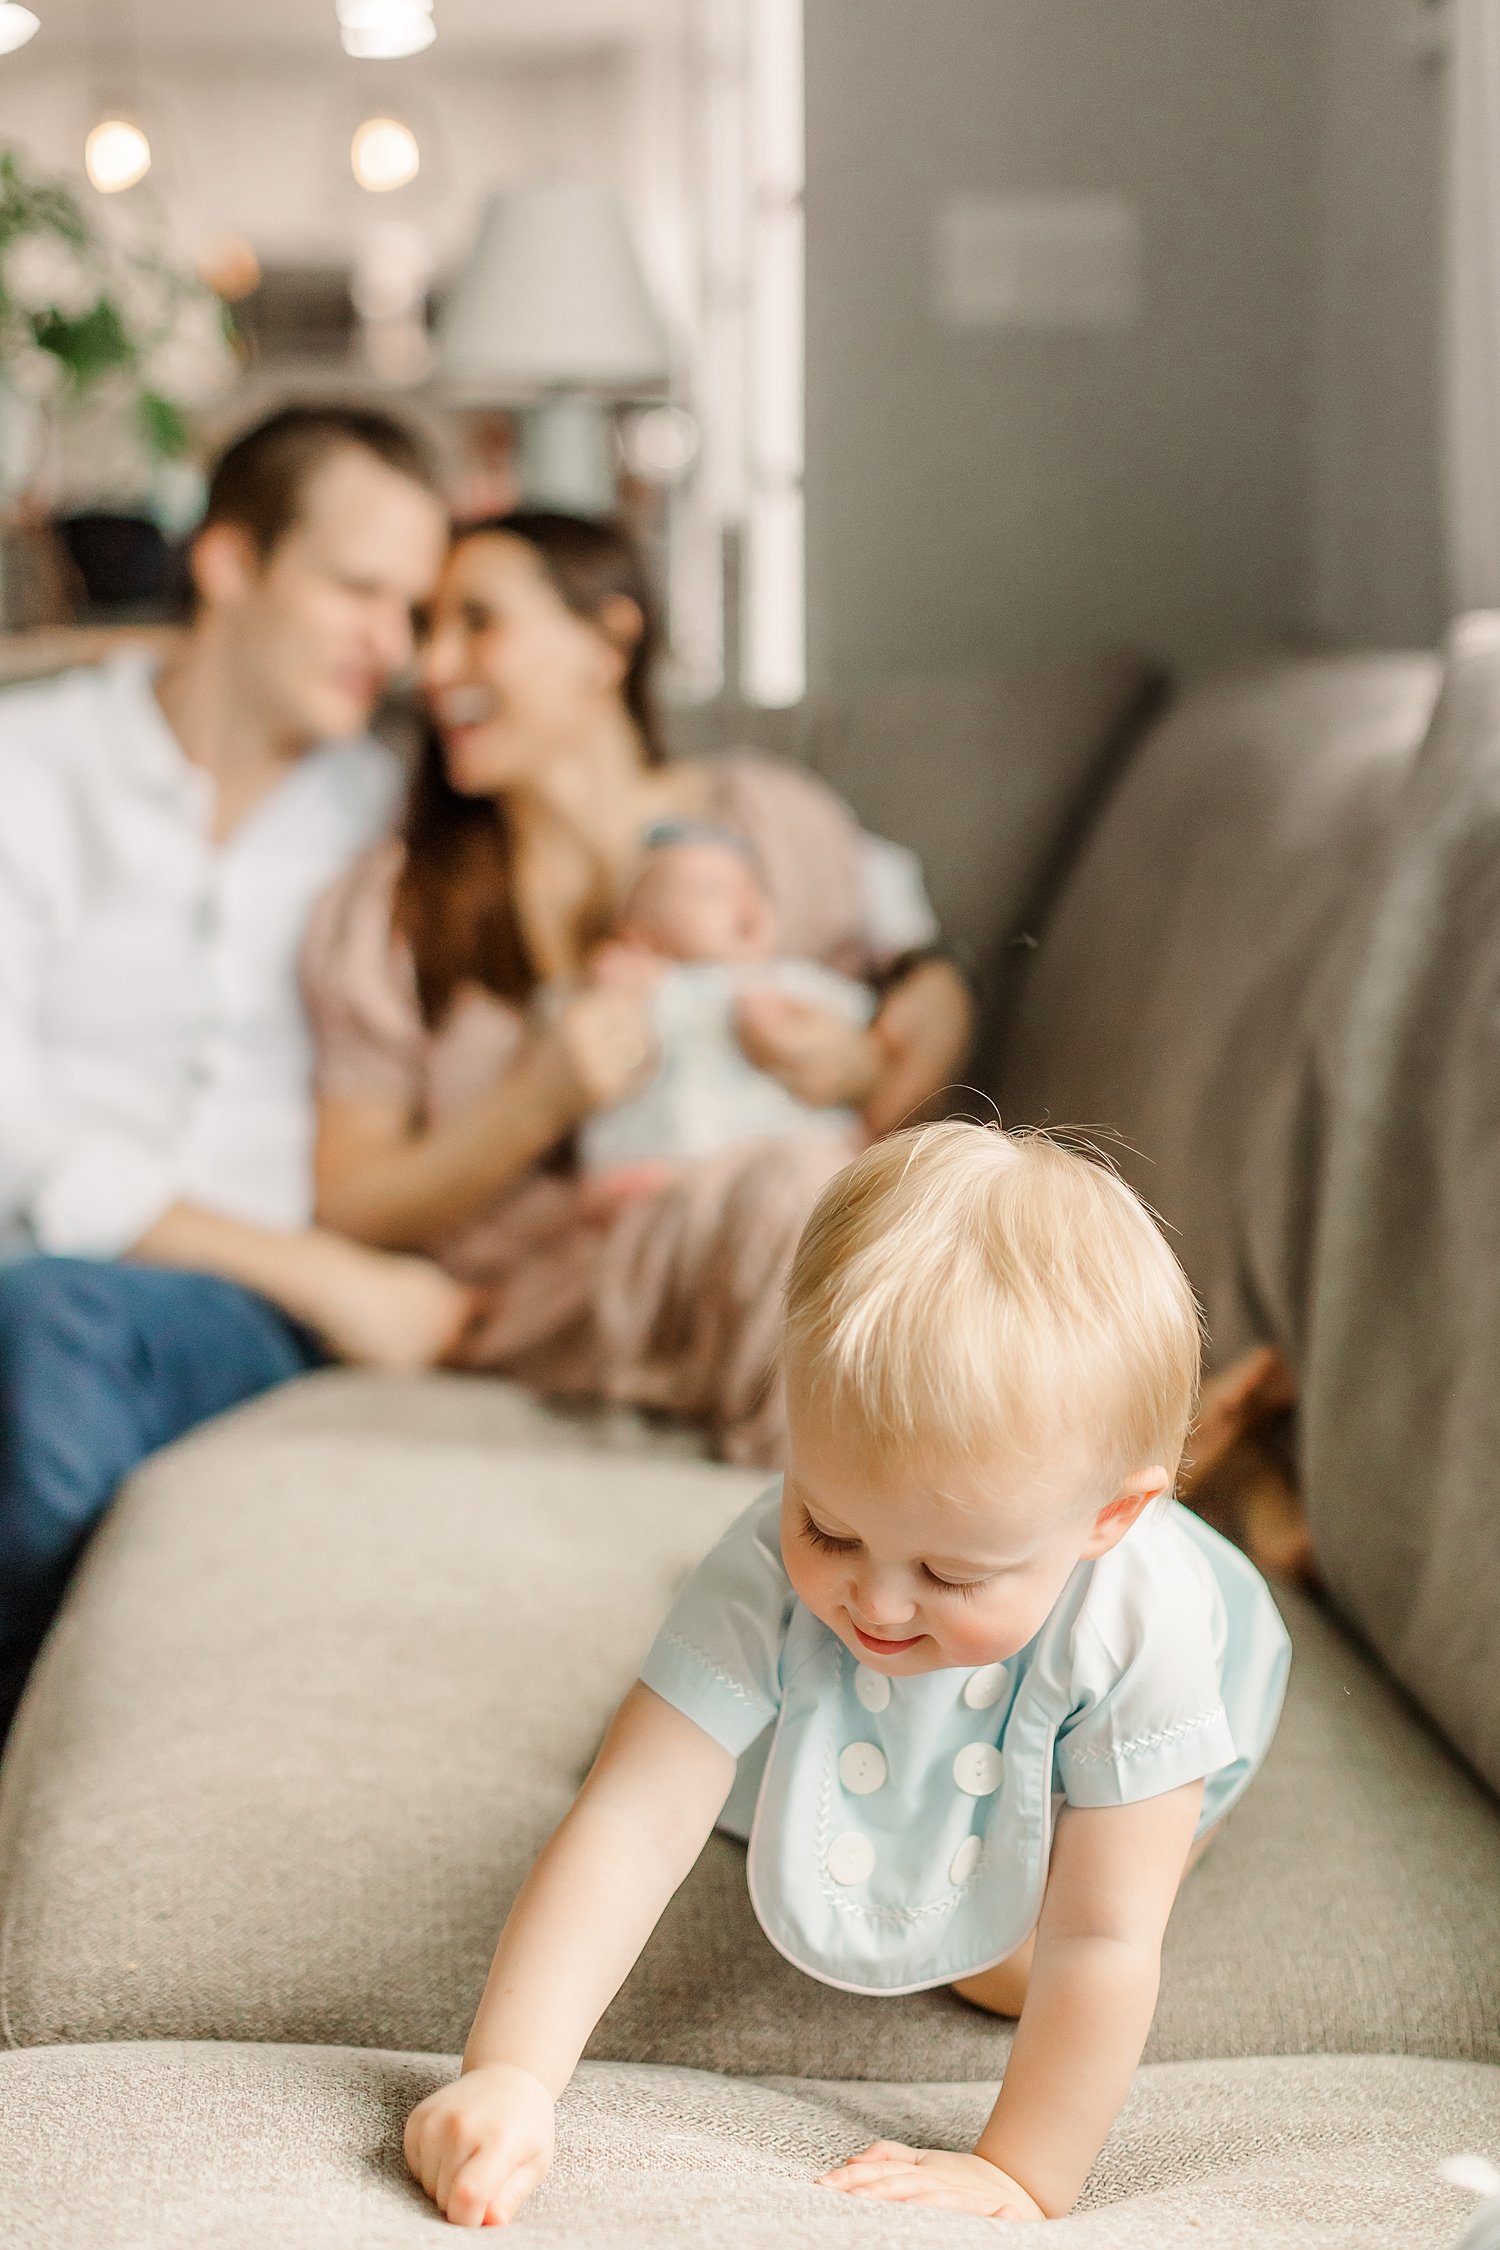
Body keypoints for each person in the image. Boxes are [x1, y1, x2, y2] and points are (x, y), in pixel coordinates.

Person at [404, 1122, 1292, 2227]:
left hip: (1141, 1707)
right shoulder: (779, 1567)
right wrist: (510, 2075)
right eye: (827, 1523)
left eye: (951, 1571)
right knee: (698, 1759)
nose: (873, 1603)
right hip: (951, 1654)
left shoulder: (1148, 1628)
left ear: (1108, 1520)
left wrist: (1019, 2173)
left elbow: (1103, 1943)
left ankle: (1237, 1475)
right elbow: (630, 1819)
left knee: (1010, 1969)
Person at [303, 509, 974, 1463]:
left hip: (804, 1245)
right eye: (427, 630)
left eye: (477, 621)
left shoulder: (771, 820)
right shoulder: (393, 907)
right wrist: (537, 1103)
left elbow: (920, 1018)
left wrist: (864, 1063)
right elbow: (350, 1205)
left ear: (609, 639)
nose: (433, 667)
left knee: (870, 1213)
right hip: (578, 1289)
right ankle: (889, 1526)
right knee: (802, 1204)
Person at [0, 404, 469, 1739]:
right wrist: (329, 1273)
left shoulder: (391, 811)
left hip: (207, 1323)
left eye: (413, 606)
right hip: (143, 1274)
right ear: (229, 562)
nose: (392, 643)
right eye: (356, 588)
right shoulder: (29, 768)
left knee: (52, 1330)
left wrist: (921, 957)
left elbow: (643, 818)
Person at [577, 818, 875, 1178]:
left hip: (774, 1151)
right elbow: (578, 1035)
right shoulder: (657, 983)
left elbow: (856, 1015)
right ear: (642, 936)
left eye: (753, 886)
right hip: (672, 1159)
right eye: (711, 890)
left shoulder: (784, 977)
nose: (743, 900)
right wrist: (614, 983)